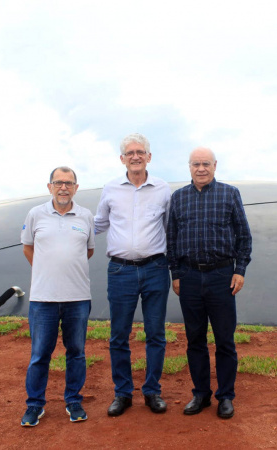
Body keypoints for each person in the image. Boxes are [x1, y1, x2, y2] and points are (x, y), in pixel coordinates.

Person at [166, 147, 252, 419]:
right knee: (195, 340)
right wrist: (176, 274)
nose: (200, 168)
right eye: (195, 164)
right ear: (188, 167)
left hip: (221, 277)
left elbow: (244, 236)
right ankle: (201, 394)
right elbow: (171, 239)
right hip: (189, 277)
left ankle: (225, 396)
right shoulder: (178, 198)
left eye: (205, 164)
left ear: (215, 166)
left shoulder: (229, 194)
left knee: (225, 340)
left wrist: (240, 270)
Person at [95, 133, 171, 416]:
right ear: (122, 159)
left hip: (155, 269)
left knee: (155, 334)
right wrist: (67, 233)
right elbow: (99, 223)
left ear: (148, 157)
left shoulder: (163, 189)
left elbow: (170, 228)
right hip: (120, 270)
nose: (135, 156)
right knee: (119, 335)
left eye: (140, 152)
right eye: (130, 153)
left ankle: (152, 391)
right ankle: (123, 393)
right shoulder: (111, 189)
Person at [20, 166, 95, 426]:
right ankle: (34, 405)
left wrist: (65, 270)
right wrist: (47, 271)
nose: (64, 187)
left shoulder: (85, 216)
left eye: (69, 183)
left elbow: (88, 251)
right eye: (58, 182)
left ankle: (73, 400)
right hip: (43, 299)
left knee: (76, 352)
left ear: (76, 187)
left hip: (77, 298)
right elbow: (28, 248)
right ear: (49, 186)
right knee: (40, 354)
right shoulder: (35, 214)